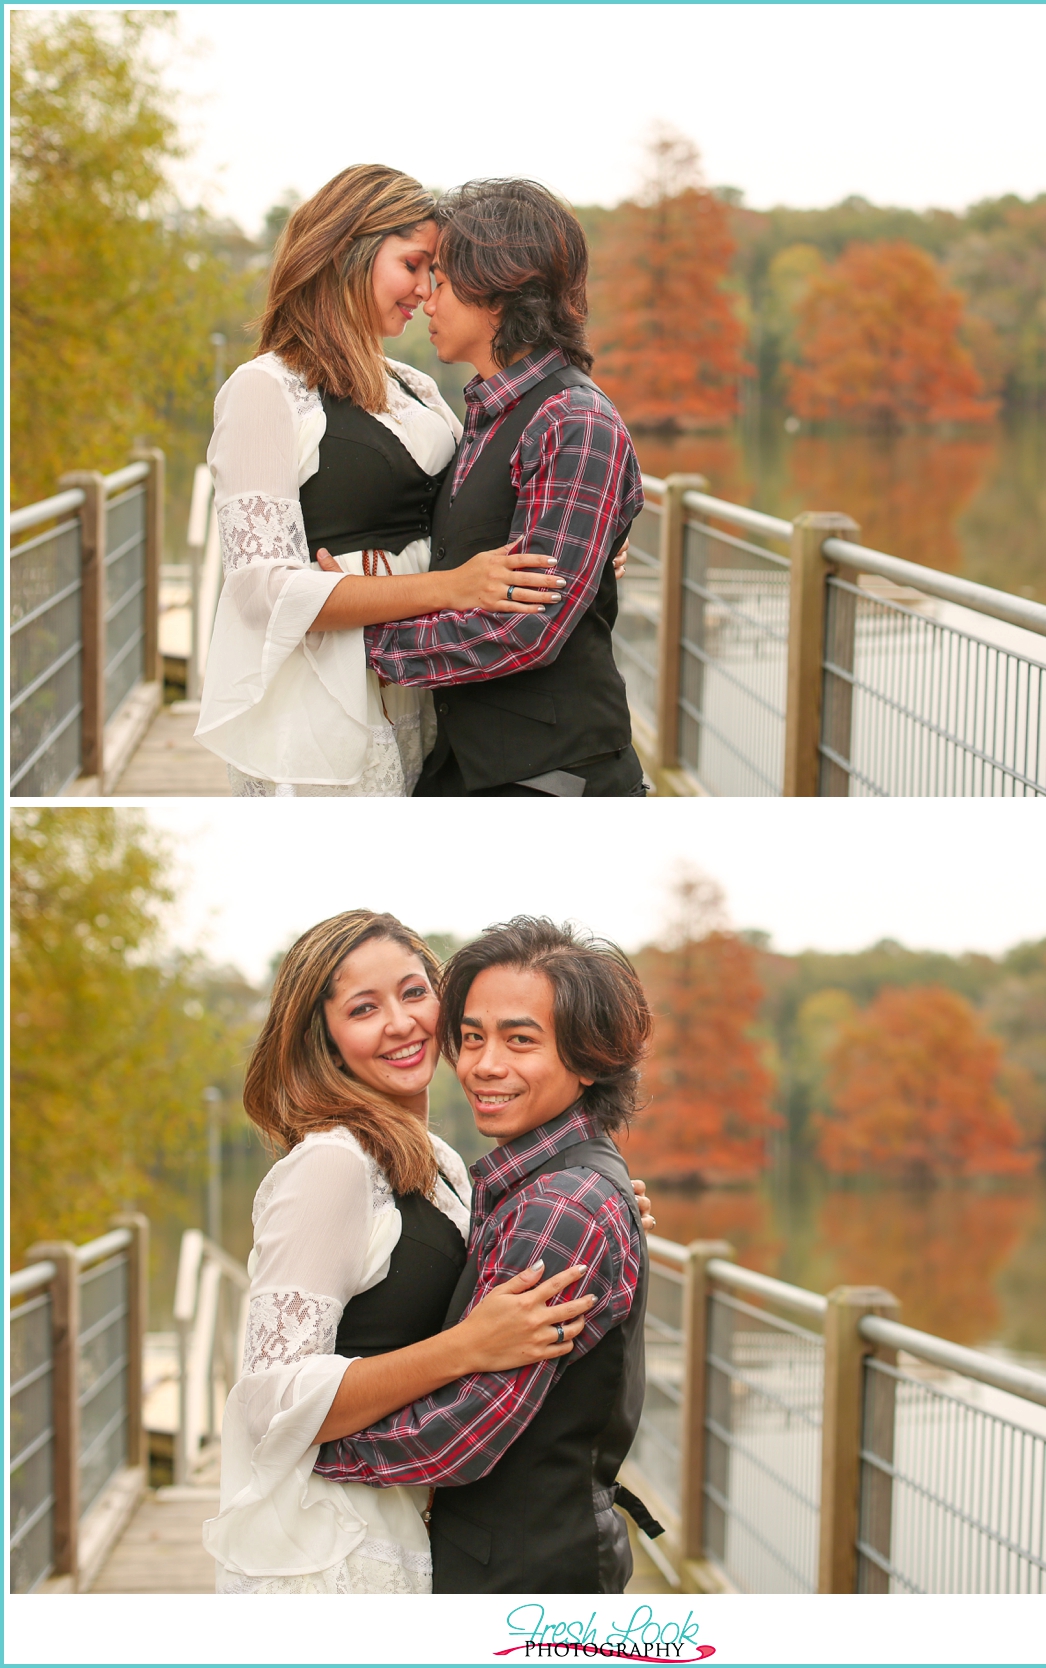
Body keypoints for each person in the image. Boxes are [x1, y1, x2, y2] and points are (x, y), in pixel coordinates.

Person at [202, 910, 655, 1593]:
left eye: (415, 992)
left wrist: (602, 1205)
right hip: (332, 1546)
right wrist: (464, 1347)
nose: (402, 1022)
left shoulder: (444, 1165)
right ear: (322, 1036)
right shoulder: (332, 1165)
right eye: (363, 1008)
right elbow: (268, 1403)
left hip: (406, 1526)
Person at [194, 165, 622, 797]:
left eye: (435, 274)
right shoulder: (264, 389)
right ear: (351, 252)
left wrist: (586, 535)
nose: (425, 291)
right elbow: (260, 590)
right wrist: (446, 588)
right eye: (414, 264)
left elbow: (479, 502)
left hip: (422, 703)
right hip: (324, 701)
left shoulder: (418, 389)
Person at [336, 180, 648, 798]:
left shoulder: (572, 421)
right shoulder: (484, 417)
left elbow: (525, 629)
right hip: (464, 766)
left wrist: (355, 637)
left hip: (554, 779)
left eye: (444, 283)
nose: (426, 299)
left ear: (497, 293)